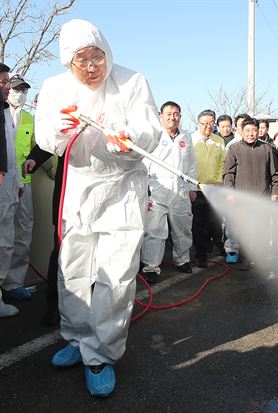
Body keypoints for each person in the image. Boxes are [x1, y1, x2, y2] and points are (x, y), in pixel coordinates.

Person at [35, 19, 162, 397]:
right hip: (78, 191)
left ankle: (101, 354)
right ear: (67, 63)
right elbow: (46, 136)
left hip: (122, 192)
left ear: (107, 52)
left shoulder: (132, 81)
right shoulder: (55, 88)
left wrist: (129, 138)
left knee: (115, 274)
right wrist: (62, 125)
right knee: (73, 267)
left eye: (97, 57)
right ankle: (76, 338)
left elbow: (150, 129)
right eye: (81, 60)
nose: (91, 67)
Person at [140, 101, 197, 283]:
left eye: (176, 114)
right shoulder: (153, 135)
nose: (173, 117)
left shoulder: (186, 137)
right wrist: (145, 187)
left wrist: (191, 188)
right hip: (157, 189)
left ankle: (182, 260)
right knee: (155, 231)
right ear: (161, 116)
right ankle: (151, 267)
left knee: (183, 228)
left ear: (180, 116)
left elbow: (192, 164)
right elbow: (143, 162)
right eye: (169, 114)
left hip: (180, 189)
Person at [223, 117, 278, 270]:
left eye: (254, 130)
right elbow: (229, 173)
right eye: (247, 130)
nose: (251, 134)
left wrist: (275, 191)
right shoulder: (235, 148)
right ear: (241, 132)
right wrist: (229, 192)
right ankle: (245, 258)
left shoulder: (267, 148)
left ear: (258, 131)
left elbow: (275, 174)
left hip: (262, 196)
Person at [3, 74, 34, 301]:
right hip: (4, 179)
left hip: (23, 181)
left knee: (22, 230)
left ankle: (14, 283)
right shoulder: (2, 113)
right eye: (16, 88)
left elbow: (38, 147)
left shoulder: (30, 119)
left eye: (24, 89)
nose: (20, 93)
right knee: (3, 232)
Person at [0, 62, 22, 318]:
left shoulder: (6, 112)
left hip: (9, 184)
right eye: (4, 83)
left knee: (6, 241)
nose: (8, 88)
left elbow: (10, 151)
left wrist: (15, 183)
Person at [191, 109, 226, 268]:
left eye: (211, 123)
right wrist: (191, 187)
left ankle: (208, 249)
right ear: (198, 123)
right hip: (195, 189)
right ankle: (200, 255)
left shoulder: (219, 141)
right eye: (204, 123)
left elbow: (222, 163)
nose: (208, 126)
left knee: (212, 222)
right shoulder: (190, 139)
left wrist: (219, 181)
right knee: (197, 224)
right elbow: (187, 165)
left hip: (213, 189)